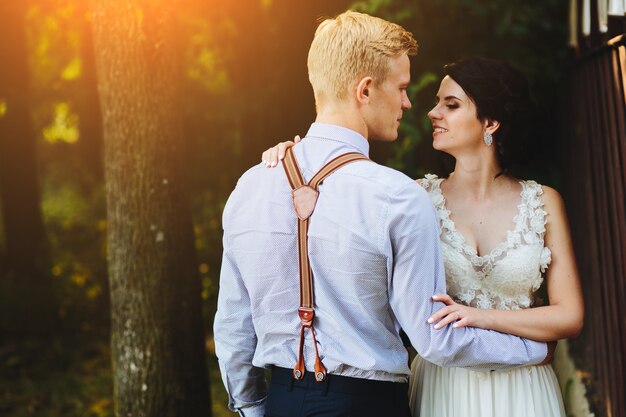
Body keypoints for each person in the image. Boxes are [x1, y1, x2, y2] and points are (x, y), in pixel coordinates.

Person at [215, 11, 553, 417]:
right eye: (402, 88)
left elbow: (233, 329)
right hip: (369, 405)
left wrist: (252, 408)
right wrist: (531, 350)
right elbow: (433, 340)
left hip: (284, 399)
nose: (409, 103)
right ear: (365, 90)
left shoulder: (251, 185)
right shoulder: (397, 196)